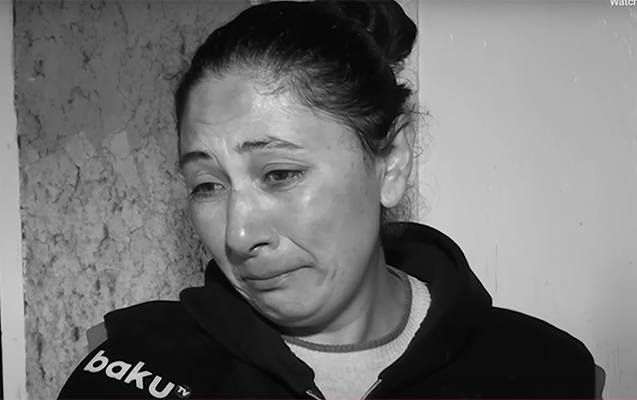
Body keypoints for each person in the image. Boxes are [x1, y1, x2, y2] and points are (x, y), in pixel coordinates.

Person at [58, 0, 601, 398]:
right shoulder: (127, 370)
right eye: (207, 185)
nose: (238, 235)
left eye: (279, 174)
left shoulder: (548, 373)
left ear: (391, 163)